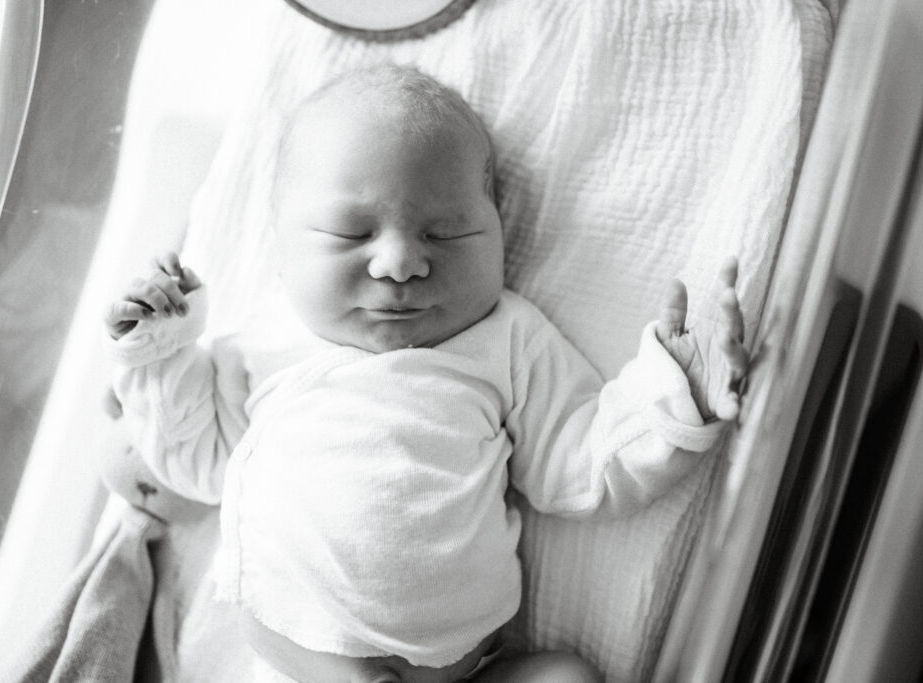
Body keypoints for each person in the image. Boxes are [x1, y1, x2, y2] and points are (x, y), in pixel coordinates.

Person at [103, 64, 749, 682]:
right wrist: (159, 351)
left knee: (566, 676)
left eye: (445, 235)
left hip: (464, 663)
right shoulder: (267, 342)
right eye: (352, 233)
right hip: (303, 654)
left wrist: (670, 394)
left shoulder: (505, 338)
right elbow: (192, 457)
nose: (401, 262)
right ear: (282, 244)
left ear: (498, 233)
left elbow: (581, 460)